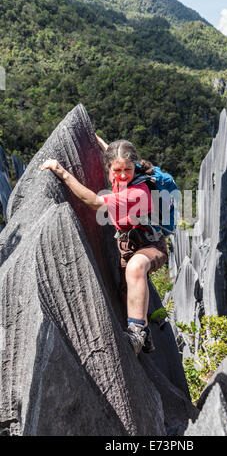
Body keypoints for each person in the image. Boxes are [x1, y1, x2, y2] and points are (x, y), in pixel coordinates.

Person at [40, 135, 168, 356]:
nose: (121, 175)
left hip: (151, 244)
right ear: (109, 165)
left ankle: (138, 334)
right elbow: (113, 151)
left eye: (126, 170)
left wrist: (60, 171)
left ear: (135, 165)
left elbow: (94, 202)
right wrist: (95, 138)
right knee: (124, 293)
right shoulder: (120, 165)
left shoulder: (138, 192)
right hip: (127, 244)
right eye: (116, 170)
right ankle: (147, 332)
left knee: (136, 268)